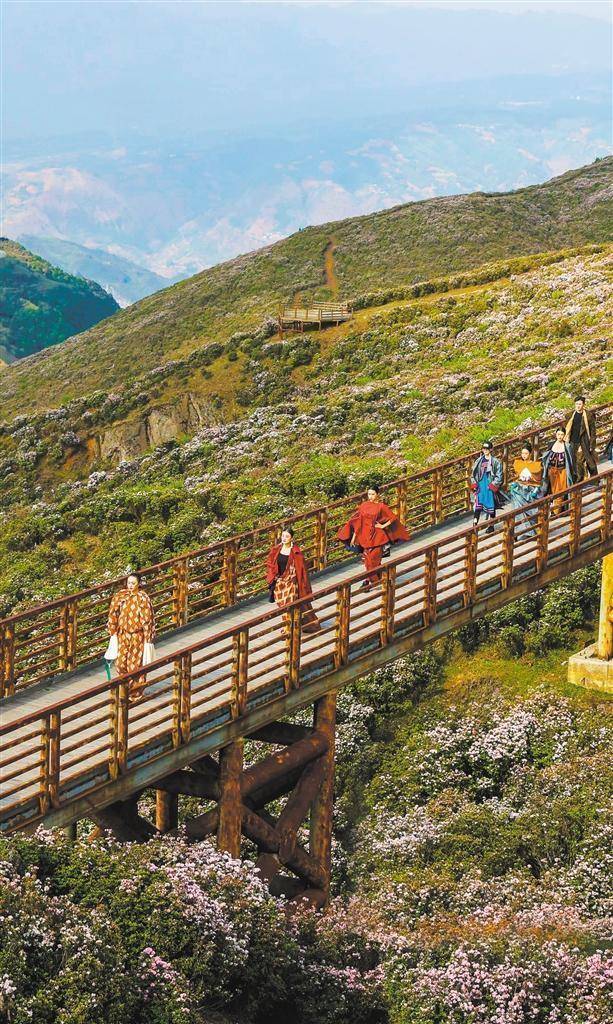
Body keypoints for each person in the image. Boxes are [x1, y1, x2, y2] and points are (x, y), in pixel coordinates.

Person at [337, 485, 410, 590]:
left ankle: (368, 582)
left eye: (372, 494)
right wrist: (354, 537)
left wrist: (383, 526)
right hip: (365, 536)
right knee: (368, 560)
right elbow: (359, 522)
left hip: (377, 537)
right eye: (369, 494)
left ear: (377, 494)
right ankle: (378, 578)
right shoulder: (363, 505)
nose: (370, 496)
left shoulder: (381, 506)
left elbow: (393, 517)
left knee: (373, 560)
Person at [107, 574, 155, 703]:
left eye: (133, 583)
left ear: (138, 584)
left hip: (137, 635)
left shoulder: (143, 598)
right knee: (120, 663)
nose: (131, 585)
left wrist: (148, 638)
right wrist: (112, 631)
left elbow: (147, 619)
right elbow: (113, 613)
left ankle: (135, 693)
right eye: (129, 583)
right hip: (123, 634)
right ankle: (125, 688)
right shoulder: (121, 596)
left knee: (134, 665)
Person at [266, 528, 321, 633]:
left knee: (289, 605)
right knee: (282, 605)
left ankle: (287, 628)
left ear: (292, 538)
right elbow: (270, 564)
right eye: (283, 536)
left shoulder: (296, 552)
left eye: (287, 536)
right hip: (279, 581)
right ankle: (295, 624)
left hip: (291, 582)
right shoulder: (276, 549)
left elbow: (301, 569)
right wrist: (272, 575)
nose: (284, 538)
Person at [471, 442, 504, 533]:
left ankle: (491, 525)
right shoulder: (479, 461)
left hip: (489, 486)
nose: (485, 450)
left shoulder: (496, 461)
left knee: (491, 505)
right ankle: (474, 526)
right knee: (478, 505)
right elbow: (473, 474)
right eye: (484, 449)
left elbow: (499, 475)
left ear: (491, 449)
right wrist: (474, 483)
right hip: (480, 485)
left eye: (487, 449)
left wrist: (493, 484)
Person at [541, 428, 575, 515]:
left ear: (564, 435)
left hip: (562, 471)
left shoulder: (567, 446)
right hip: (552, 471)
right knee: (552, 489)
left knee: (561, 490)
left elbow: (571, 460)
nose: (560, 436)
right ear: (556, 435)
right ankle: (554, 509)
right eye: (558, 434)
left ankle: (559, 510)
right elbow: (546, 456)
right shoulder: (551, 444)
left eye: (562, 434)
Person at [565, 397, 597, 481]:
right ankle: (579, 479)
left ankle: (588, 479)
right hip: (572, 441)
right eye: (576, 404)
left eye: (580, 404)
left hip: (583, 441)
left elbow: (593, 431)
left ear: (583, 404)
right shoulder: (570, 415)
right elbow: (567, 429)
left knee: (584, 461)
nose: (578, 406)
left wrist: (592, 444)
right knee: (574, 461)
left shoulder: (589, 416)